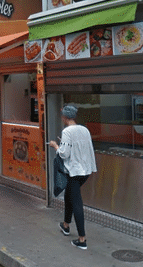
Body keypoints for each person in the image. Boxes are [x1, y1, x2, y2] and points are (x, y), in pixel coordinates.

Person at [48, 105, 96, 250]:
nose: (61, 117)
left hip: (74, 171)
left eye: (62, 115)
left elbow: (64, 154)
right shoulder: (84, 129)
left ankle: (82, 239)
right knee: (69, 195)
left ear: (65, 117)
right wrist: (63, 144)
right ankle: (66, 225)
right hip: (86, 171)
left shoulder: (67, 131)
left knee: (76, 201)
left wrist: (56, 145)